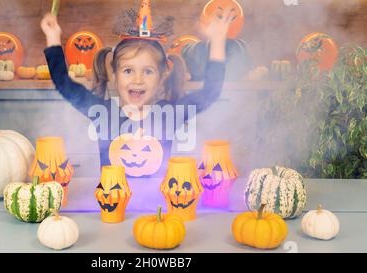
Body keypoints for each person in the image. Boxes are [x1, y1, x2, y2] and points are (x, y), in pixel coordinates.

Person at [40, 8, 233, 178]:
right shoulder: (102, 113)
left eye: (147, 71)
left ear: (161, 76)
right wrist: (53, 37)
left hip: (157, 209)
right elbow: (65, 85)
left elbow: (211, 92)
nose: (137, 79)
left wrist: (217, 41)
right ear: (114, 74)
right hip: (113, 205)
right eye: (128, 71)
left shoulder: (170, 114)